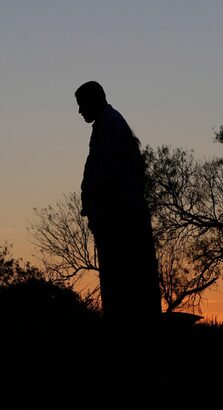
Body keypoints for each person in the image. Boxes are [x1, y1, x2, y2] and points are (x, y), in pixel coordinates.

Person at [76, 81, 161, 322]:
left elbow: (109, 173)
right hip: (116, 215)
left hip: (119, 218)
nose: (80, 111)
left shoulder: (110, 124)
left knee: (122, 285)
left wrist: (102, 210)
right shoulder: (107, 124)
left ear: (94, 100)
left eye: (82, 104)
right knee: (121, 284)